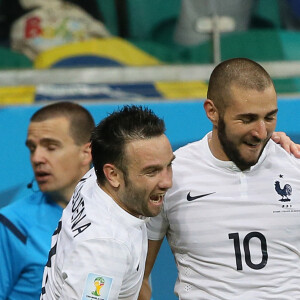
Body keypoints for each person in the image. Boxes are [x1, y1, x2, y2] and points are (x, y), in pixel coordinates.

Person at [139, 58, 300, 300]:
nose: (260, 133)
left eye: (269, 118)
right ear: (212, 112)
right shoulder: (172, 174)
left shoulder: (294, 164)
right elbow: (138, 275)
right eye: (247, 119)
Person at [40, 105, 175, 300]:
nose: (167, 182)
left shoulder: (93, 181)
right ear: (113, 174)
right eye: (151, 171)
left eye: (169, 165)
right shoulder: (105, 250)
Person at [0, 101, 95, 300]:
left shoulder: (122, 215)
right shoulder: (10, 226)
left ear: (87, 153)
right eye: (32, 148)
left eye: (51, 147)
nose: (37, 158)